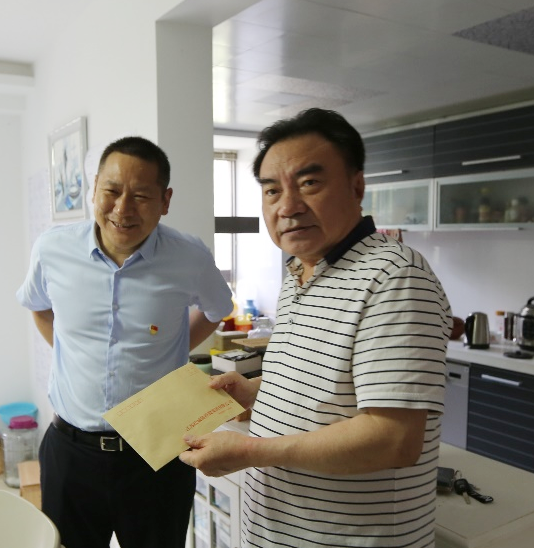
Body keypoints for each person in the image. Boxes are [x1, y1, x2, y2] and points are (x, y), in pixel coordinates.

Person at [180, 109, 452, 547]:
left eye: (309, 183)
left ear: (357, 187)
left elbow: (393, 439)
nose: (287, 206)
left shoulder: (395, 277)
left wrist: (250, 452)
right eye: (272, 190)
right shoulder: (299, 273)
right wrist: (256, 393)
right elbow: (335, 388)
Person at [16, 136, 233, 548]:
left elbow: (216, 309)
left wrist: (173, 347)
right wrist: (76, 354)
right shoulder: (52, 249)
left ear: (165, 200)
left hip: (157, 455)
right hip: (70, 452)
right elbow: (38, 307)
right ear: (94, 189)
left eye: (141, 196)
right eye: (112, 191)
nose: (122, 209)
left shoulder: (189, 257)